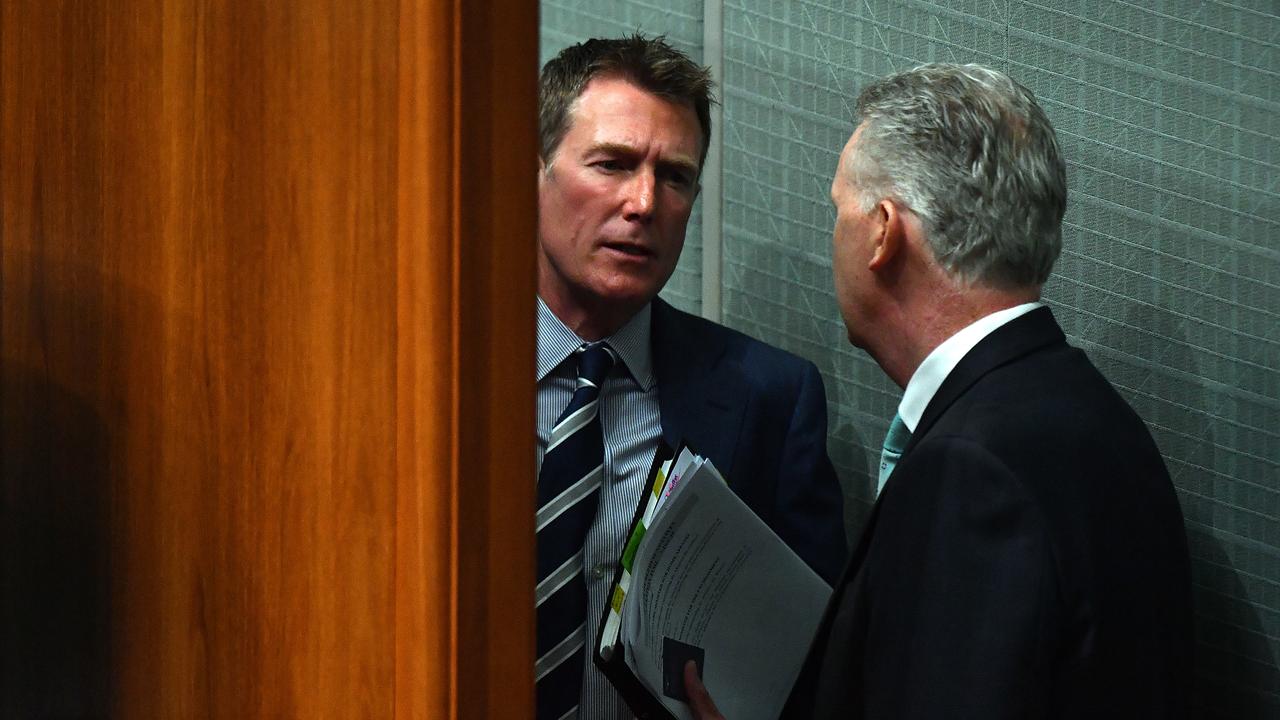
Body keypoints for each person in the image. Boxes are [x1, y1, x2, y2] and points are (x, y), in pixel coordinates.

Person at [686, 63, 1193, 719]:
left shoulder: (972, 473)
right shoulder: (1093, 414)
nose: (833, 232)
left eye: (838, 209)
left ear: (882, 232)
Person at [534, 35, 847, 720]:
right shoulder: (433, 375)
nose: (644, 203)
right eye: (612, 164)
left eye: (674, 177)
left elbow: (815, 665)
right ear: (537, 171)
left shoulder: (770, 400)